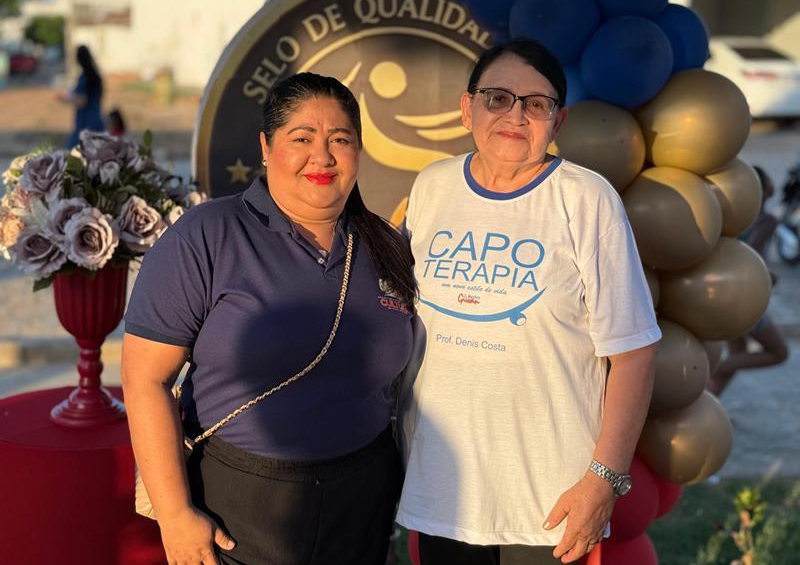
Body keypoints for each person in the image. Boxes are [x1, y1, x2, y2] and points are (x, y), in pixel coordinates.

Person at [122, 72, 418, 565]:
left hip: (363, 505)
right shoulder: (207, 235)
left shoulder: (387, 245)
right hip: (239, 508)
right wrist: (175, 515)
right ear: (266, 146)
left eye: (340, 140)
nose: (322, 157)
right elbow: (145, 379)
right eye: (301, 139)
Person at [395, 40, 661, 565]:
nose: (515, 116)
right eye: (497, 98)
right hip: (444, 489)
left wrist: (602, 480)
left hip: (549, 505)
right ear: (467, 107)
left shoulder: (587, 200)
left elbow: (634, 354)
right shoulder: (432, 187)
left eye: (536, 105)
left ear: (558, 121)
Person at [709, 165, 789, 395]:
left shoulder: (730, 218)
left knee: (739, 353)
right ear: (764, 189)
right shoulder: (766, 220)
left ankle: (711, 402)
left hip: (722, 294)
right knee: (779, 353)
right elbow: (752, 258)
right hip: (745, 299)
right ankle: (708, 373)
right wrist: (770, 277)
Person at [59, 45, 105, 148]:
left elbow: (81, 100)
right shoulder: (95, 75)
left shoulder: (85, 77)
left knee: (72, 152)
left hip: (86, 123)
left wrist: (65, 98)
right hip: (96, 120)